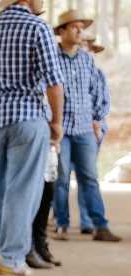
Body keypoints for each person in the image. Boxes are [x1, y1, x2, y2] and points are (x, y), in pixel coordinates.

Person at [0, 0, 65, 276]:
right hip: (27, 117)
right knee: (23, 188)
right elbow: (54, 82)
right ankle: (11, 258)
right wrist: (57, 121)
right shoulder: (37, 27)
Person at [51, 10, 121, 242]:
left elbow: (96, 91)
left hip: (84, 128)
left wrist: (97, 120)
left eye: (82, 27)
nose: (80, 31)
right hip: (59, 129)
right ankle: (61, 223)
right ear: (61, 32)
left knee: (89, 177)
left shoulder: (86, 59)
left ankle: (100, 225)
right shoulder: (51, 57)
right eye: (74, 27)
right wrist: (50, 124)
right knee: (61, 179)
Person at [77, 34, 110, 234]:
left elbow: (103, 101)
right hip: (71, 127)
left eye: (88, 47)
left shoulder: (98, 73)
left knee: (87, 174)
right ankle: (62, 218)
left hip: (93, 127)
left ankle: (87, 219)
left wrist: (96, 121)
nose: (85, 50)